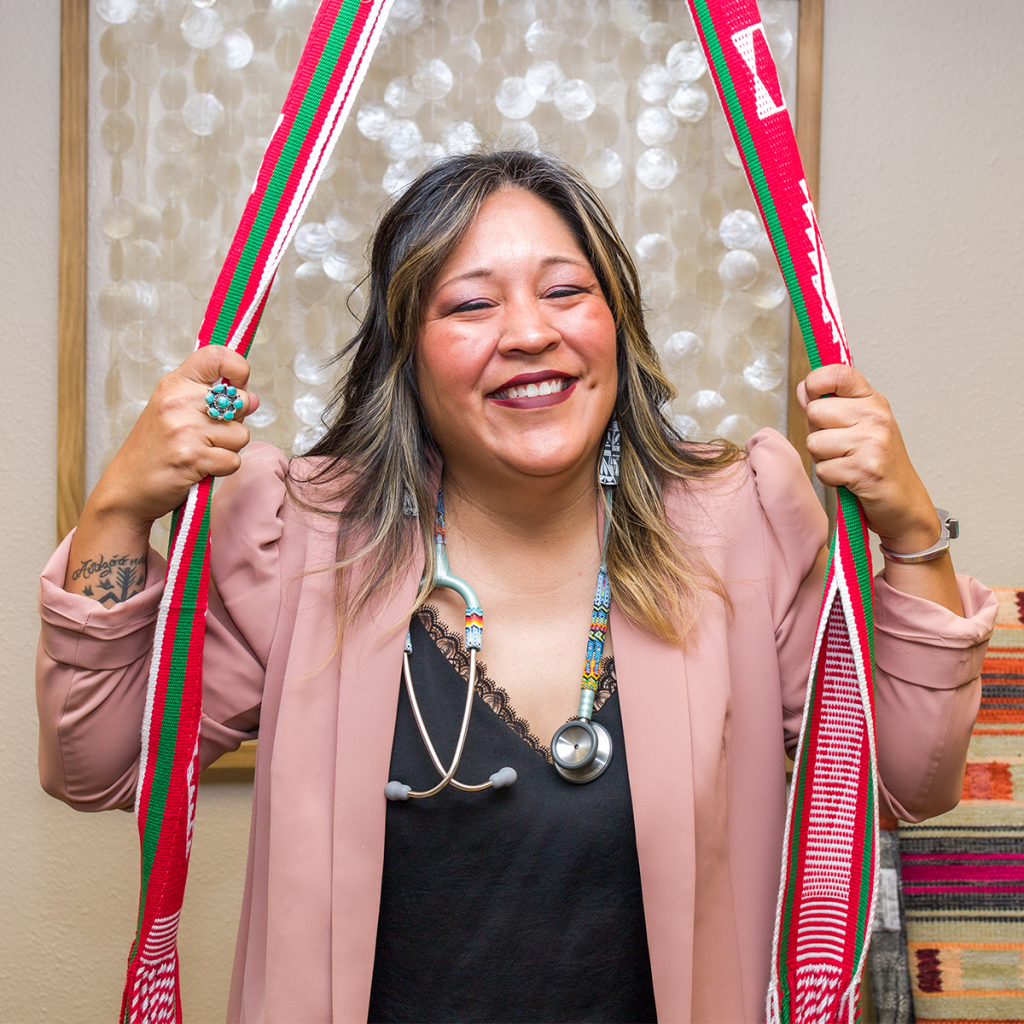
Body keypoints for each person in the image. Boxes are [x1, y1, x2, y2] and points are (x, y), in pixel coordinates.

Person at [37, 151, 995, 1024]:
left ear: (617, 324)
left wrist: (913, 533)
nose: (531, 333)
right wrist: (119, 508)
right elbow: (100, 768)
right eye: (469, 306)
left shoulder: (740, 518)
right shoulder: (300, 537)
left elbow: (904, 783)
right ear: (404, 357)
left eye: (566, 291)